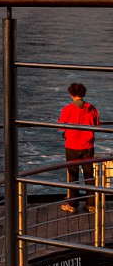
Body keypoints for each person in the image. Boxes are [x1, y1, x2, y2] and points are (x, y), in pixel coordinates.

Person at [59, 82, 100, 213]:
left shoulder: (67, 109)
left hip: (72, 146)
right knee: (89, 175)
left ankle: (72, 204)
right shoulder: (92, 108)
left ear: (71, 94)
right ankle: (91, 204)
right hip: (88, 146)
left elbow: (61, 126)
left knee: (73, 176)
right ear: (83, 93)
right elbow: (97, 125)